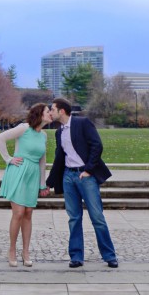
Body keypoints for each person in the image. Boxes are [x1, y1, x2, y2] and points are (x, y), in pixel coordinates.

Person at [47, 97, 118, 269]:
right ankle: (76, 257)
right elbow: (59, 158)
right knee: (74, 218)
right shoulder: (59, 132)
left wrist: (88, 170)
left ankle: (109, 256)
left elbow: (97, 146)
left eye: (52, 109)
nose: (50, 112)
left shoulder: (82, 123)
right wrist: (49, 182)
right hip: (68, 177)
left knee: (97, 217)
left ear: (62, 111)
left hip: (85, 176)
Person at [0, 102, 52, 268]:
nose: (51, 114)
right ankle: (12, 250)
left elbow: (43, 161)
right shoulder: (24, 128)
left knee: (28, 213)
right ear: (40, 114)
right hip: (18, 171)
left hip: (33, 174)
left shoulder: (43, 135)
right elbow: (0, 138)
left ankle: (25, 251)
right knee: (18, 213)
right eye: (48, 111)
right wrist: (8, 158)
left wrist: (42, 184)